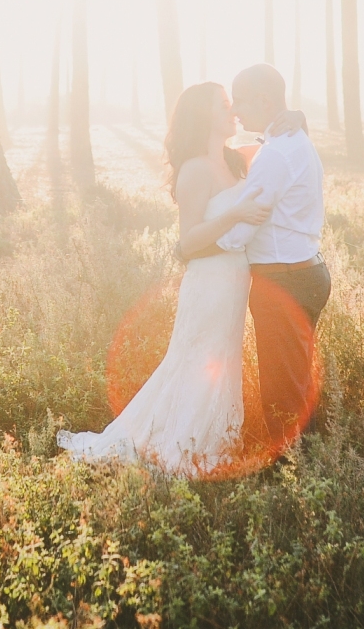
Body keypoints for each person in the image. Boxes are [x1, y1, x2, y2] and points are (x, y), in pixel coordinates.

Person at [56, 81, 271, 476]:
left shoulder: (235, 159)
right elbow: (187, 243)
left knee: (222, 362)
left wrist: (290, 119)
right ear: (203, 115)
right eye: (224, 105)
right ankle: (181, 443)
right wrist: (234, 216)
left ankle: (212, 436)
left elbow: (275, 146)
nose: (234, 110)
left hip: (235, 283)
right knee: (195, 361)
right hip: (209, 282)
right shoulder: (195, 170)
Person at [218, 64, 329, 453]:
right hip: (305, 273)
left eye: (241, 101)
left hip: (284, 282)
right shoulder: (292, 139)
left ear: (264, 101)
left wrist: (201, 240)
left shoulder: (276, 154)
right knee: (297, 381)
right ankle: (311, 463)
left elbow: (241, 231)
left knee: (284, 393)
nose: (235, 112)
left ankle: (293, 471)